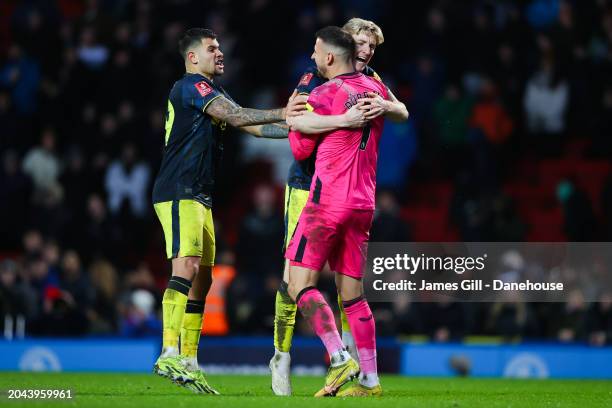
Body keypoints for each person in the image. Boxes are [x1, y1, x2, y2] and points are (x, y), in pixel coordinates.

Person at [151, 27, 295, 395]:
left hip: (200, 196)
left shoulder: (213, 92)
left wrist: (300, 128)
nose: (220, 53)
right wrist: (285, 109)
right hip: (178, 190)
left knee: (204, 278)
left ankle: (189, 360)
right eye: (212, 48)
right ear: (192, 58)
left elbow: (252, 125)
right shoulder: (190, 87)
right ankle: (167, 352)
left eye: (220, 48)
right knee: (186, 266)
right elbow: (235, 116)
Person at [270, 18, 408, 396]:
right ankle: (370, 380)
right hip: (364, 202)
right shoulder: (376, 89)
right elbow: (399, 112)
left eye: (316, 52)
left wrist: (308, 121)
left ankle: (338, 356)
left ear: (330, 56)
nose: (366, 50)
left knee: (298, 285)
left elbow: (299, 148)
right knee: (354, 295)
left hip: (324, 200)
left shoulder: (327, 90)